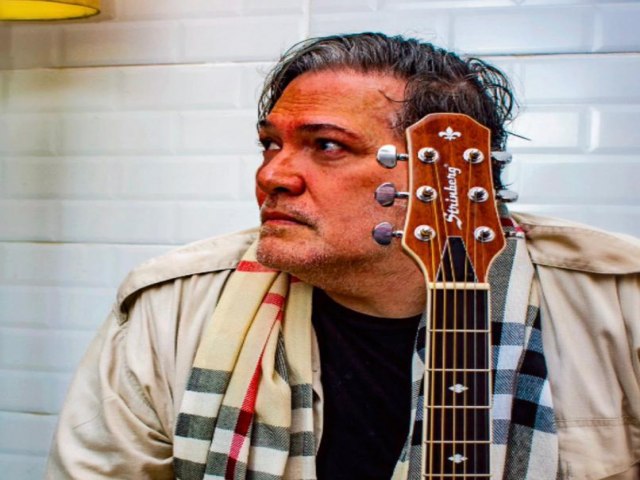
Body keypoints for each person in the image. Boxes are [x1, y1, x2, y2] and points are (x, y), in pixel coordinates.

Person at [46, 33, 640, 480]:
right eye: (270, 144)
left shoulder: (618, 304)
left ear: (443, 178)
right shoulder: (171, 306)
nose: (272, 175)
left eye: (327, 145)